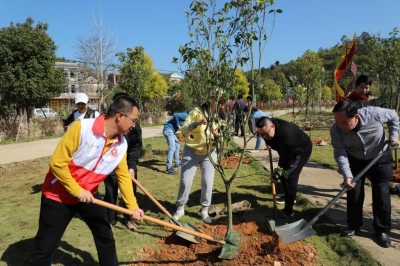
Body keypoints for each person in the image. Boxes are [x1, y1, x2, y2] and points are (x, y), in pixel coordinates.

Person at [29, 95, 144, 266]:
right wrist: (77, 190)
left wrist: (132, 207)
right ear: (120, 116)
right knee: (45, 246)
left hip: (89, 195)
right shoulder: (81, 128)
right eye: (133, 120)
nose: (134, 125)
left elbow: (123, 176)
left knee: (105, 236)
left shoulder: (121, 144)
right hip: (58, 196)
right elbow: (57, 163)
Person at [330, 100, 399, 248]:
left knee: (381, 193)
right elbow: (340, 153)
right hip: (355, 160)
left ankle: (382, 230)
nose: (340, 125)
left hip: (380, 157)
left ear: (355, 117)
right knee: (354, 192)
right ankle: (354, 225)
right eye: (337, 121)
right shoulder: (336, 130)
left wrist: (394, 136)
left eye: (344, 122)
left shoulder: (373, 114)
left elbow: (393, 115)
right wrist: (347, 175)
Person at [172, 101, 220, 224]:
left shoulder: (220, 115)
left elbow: (223, 135)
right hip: (192, 150)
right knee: (185, 181)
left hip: (209, 151)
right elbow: (184, 130)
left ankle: (204, 210)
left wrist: (218, 136)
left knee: (207, 182)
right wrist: (197, 123)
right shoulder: (196, 112)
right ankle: (180, 208)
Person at [255, 116, 312, 217]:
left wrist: (276, 176)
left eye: (266, 133)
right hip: (287, 150)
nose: (264, 136)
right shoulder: (269, 127)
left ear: (273, 126)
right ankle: (288, 196)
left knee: (289, 176)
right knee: (284, 176)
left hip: (299, 151)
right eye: (261, 134)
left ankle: (289, 210)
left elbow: (284, 161)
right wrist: (268, 142)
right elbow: (267, 136)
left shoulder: (287, 136)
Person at [103, 93, 143, 231]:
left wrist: (131, 165)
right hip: (109, 163)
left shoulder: (134, 126)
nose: (133, 123)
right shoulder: (108, 124)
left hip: (127, 163)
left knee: (130, 190)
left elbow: (137, 146)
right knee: (110, 192)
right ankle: (111, 220)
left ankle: (129, 218)